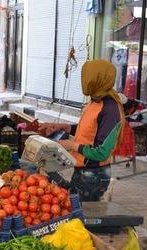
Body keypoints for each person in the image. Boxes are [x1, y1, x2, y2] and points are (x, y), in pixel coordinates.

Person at [38, 59, 126, 202]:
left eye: (87, 77)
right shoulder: (95, 101)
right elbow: (89, 131)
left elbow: (102, 152)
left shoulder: (110, 110)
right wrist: (65, 127)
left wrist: (72, 145)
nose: (84, 81)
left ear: (98, 79)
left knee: (81, 214)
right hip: (83, 170)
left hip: (93, 174)